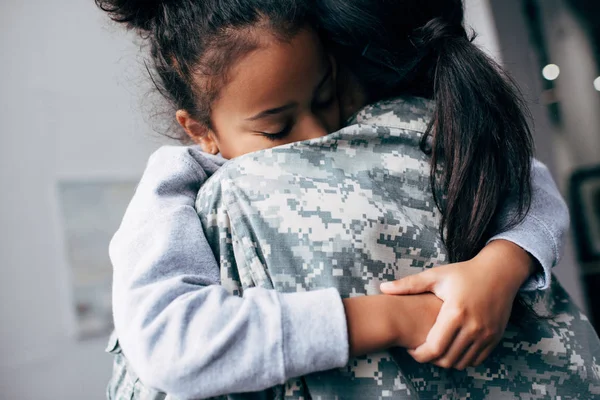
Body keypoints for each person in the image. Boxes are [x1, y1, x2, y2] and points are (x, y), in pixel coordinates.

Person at [95, 0, 572, 398]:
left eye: (326, 97)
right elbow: (170, 343)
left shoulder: (380, 128)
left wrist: (500, 268)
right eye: (276, 129)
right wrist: (393, 318)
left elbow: (527, 180)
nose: (319, 133)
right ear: (201, 132)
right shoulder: (176, 185)